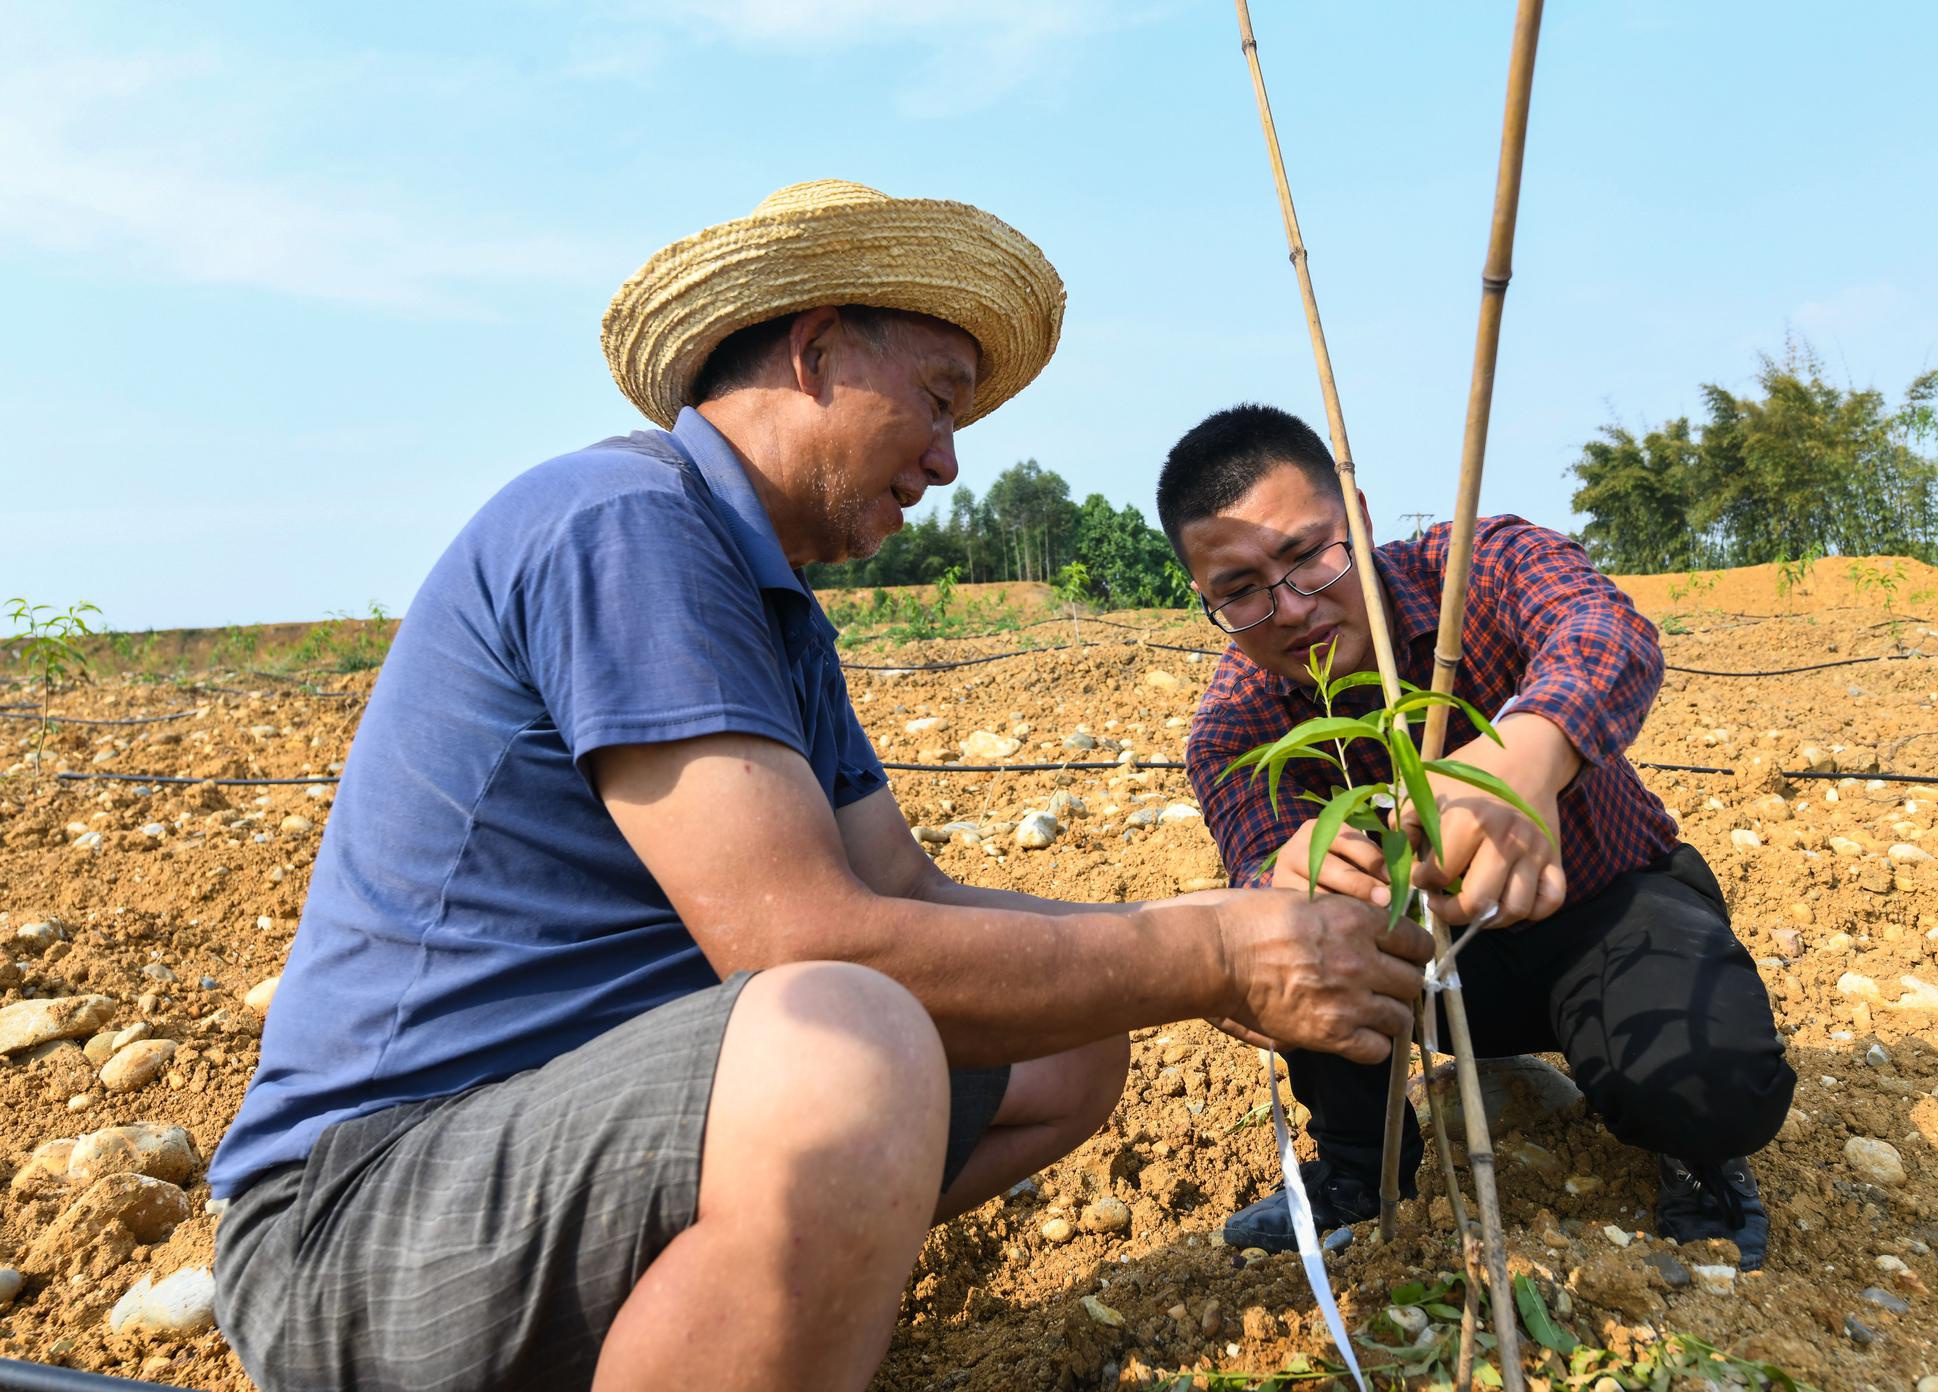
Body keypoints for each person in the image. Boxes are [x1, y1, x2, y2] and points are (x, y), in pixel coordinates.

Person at [205, 183, 1436, 1392]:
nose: (949, 463)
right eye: (938, 401)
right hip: (367, 1217)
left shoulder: (770, 605)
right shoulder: (624, 523)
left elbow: (900, 886)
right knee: (849, 1045)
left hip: (553, 1149)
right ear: (814, 352)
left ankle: (708, 1333)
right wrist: (1217, 961)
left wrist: (1200, 928)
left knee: (1066, 1051)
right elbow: (794, 941)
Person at [1159, 403, 1794, 1270]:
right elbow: (1259, 861)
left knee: (1709, 1086)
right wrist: (1284, 875)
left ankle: (1700, 1157)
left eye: (1309, 554)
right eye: (1238, 591)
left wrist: (1523, 757)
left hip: (1605, 909)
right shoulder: (1238, 726)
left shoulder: (1479, 567)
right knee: (1299, 925)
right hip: (1427, 966)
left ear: (1362, 521)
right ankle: (1357, 1168)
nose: (1292, 607)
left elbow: (1606, 631)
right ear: (1205, 598)